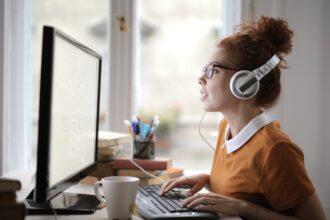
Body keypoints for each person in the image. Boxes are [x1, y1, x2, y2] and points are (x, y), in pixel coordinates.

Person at [160, 16, 327, 220]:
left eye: (213, 70)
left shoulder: (275, 149)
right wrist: (207, 179)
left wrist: (244, 208)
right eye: (205, 70)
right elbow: (246, 183)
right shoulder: (226, 128)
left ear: (244, 82)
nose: (201, 78)